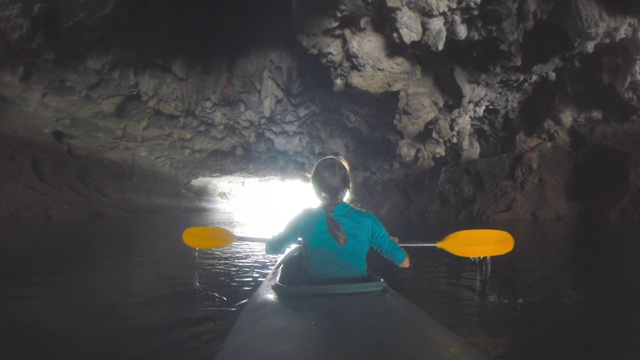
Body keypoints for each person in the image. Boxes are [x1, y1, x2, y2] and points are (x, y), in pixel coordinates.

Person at [265, 156, 410, 281]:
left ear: (316, 189)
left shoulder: (304, 219)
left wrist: (274, 241)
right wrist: (389, 243)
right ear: (348, 187)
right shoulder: (367, 220)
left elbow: (272, 248)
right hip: (357, 298)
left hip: (314, 295)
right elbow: (404, 262)